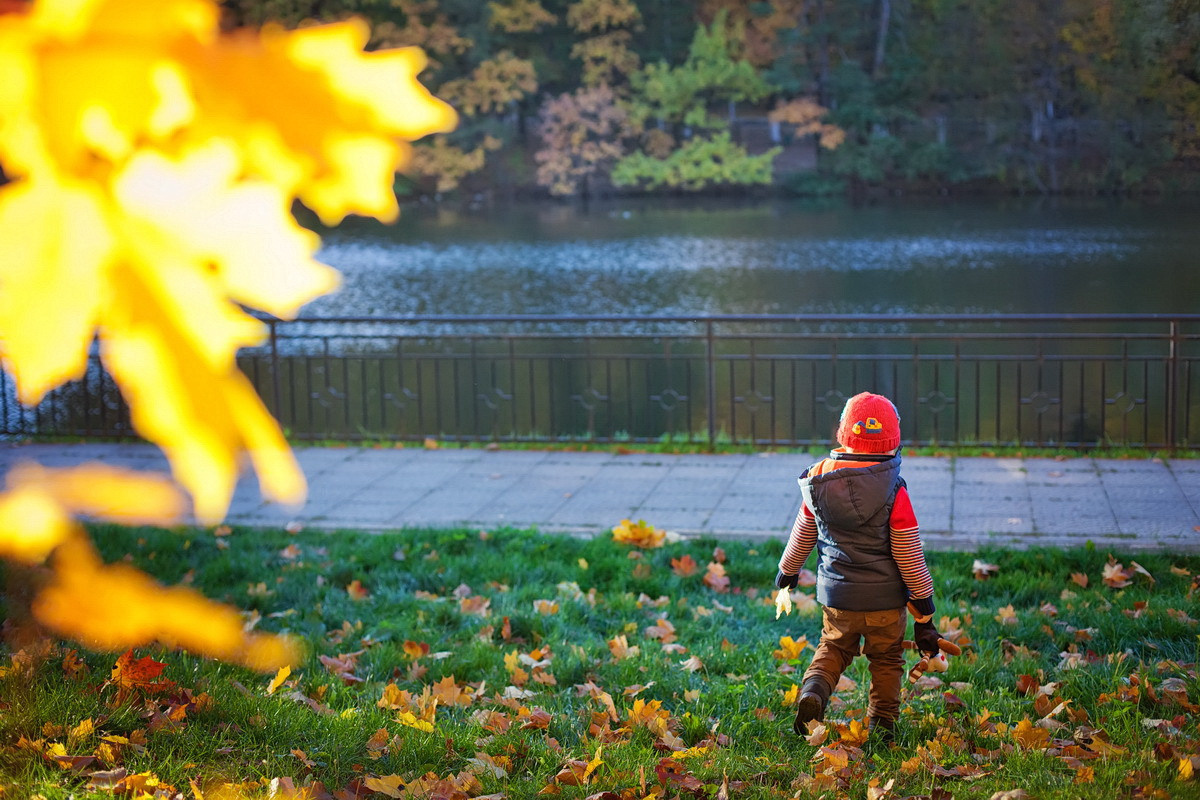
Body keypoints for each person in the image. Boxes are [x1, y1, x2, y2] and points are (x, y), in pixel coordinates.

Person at [774, 391, 945, 743]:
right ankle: (882, 724)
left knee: (834, 648)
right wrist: (924, 608)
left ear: (843, 435)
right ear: (894, 442)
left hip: (838, 597)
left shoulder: (819, 480)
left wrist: (787, 573)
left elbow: (802, 533)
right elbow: (909, 554)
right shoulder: (894, 490)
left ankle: (815, 692)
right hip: (885, 602)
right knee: (886, 660)